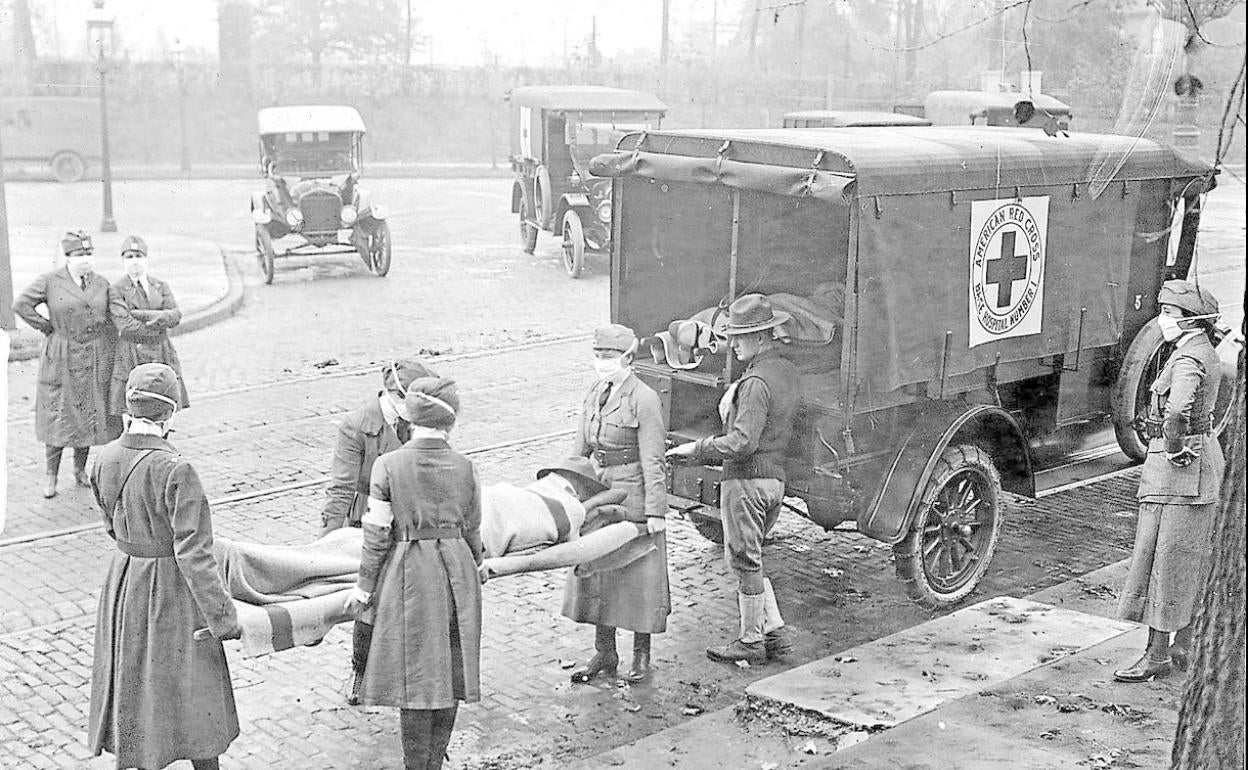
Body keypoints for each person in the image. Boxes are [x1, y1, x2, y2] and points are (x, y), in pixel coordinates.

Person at [88, 363, 242, 770]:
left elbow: (109, 524)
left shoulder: (102, 458)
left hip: (124, 583)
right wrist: (224, 618)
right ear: (170, 414)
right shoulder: (176, 469)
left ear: (129, 408)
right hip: (171, 590)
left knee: (134, 681)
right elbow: (195, 553)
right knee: (194, 692)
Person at [344, 375, 482, 770]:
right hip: (458, 575)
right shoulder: (466, 467)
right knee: (452, 673)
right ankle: (435, 761)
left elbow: (376, 535)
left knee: (416, 679)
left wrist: (365, 588)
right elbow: (473, 527)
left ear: (410, 416)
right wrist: (478, 565)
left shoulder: (388, 466)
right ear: (450, 422)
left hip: (410, 576)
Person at [667, 294, 799, 665]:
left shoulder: (756, 382)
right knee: (752, 559)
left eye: (740, 337)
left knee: (744, 562)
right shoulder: (786, 371)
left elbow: (742, 442)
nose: (733, 343)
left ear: (761, 338)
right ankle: (776, 635)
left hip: (747, 483)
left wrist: (697, 449)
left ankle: (750, 640)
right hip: (774, 481)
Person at [1115, 280, 1225, 683]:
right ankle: (1184, 643)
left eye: (1169, 313)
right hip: (1200, 470)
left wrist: (1175, 446)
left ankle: (1157, 654)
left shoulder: (1186, 360)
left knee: (1162, 561)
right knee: (1189, 560)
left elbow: (1177, 410)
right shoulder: (1202, 352)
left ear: (1191, 320)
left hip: (1178, 472)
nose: (1163, 320)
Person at [322, 359, 437, 705]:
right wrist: (326, 540)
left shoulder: (418, 421)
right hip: (368, 522)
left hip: (410, 520)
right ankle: (361, 670)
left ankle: (404, 668)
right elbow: (341, 487)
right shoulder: (357, 426)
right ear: (393, 395)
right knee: (368, 600)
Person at [564, 324, 670, 685]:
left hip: (633, 497)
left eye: (608, 357)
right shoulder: (595, 392)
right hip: (599, 491)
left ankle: (641, 654)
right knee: (599, 574)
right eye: (597, 356)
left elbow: (654, 459)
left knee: (639, 578)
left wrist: (656, 511)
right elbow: (579, 451)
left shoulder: (644, 398)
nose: (601, 363)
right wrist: (567, 489)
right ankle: (605, 651)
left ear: (627, 358)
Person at [13, 230, 120, 498]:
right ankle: (51, 476)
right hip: (61, 355)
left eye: (88, 254)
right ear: (68, 257)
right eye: (79, 254)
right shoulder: (51, 281)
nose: (85, 259)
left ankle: (79, 470)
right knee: (58, 416)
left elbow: (112, 316)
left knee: (85, 415)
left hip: (92, 357)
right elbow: (22, 304)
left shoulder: (101, 283)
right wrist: (47, 327)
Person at [108, 235, 189, 422]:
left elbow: (175, 315)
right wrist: (160, 322)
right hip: (131, 353)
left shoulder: (160, 286)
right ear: (123, 261)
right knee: (132, 409)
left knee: (164, 399)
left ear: (146, 259)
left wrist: (142, 315)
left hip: (161, 351)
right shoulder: (117, 289)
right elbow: (125, 324)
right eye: (129, 257)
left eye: (139, 256)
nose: (135, 262)